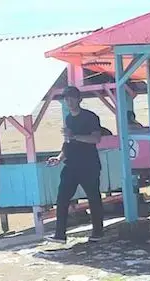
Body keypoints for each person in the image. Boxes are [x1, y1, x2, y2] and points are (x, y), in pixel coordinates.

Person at [45, 86, 106, 244]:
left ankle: (98, 233)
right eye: (66, 98)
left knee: (94, 199)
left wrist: (75, 136)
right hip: (71, 164)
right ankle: (60, 235)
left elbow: (96, 139)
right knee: (62, 198)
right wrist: (59, 157)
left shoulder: (90, 117)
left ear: (79, 99)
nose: (69, 101)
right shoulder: (68, 119)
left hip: (89, 164)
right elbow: (68, 142)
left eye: (71, 97)